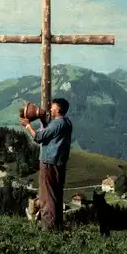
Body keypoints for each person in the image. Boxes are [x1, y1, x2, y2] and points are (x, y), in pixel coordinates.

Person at [19, 98, 73, 231]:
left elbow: (38, 137)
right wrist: (43, 119)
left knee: (47, 197)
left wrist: (27, 125)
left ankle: (49, 229)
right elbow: (50, 132)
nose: (50, 109)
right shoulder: (66, 122)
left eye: (52, 108)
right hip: (58, 163)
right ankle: (57, 225)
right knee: (55, 195)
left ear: (58, 110)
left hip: (48, 163)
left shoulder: (56, 124)